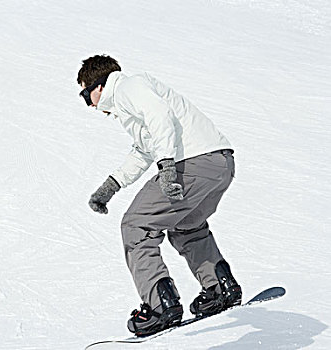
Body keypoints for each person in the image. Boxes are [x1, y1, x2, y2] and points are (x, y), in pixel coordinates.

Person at [77, 55, 242, 336]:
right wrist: (111, 186)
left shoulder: (128, 87)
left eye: (85, 95)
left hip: (192, 162)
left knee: (136, 225)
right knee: (186, 224)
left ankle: (161, 305)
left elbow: (159, 116)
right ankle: (221, 286)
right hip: (219, 163)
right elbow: (143, 150)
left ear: (100, 86)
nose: (90, 105)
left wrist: (167, 168)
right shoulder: (130, 103)